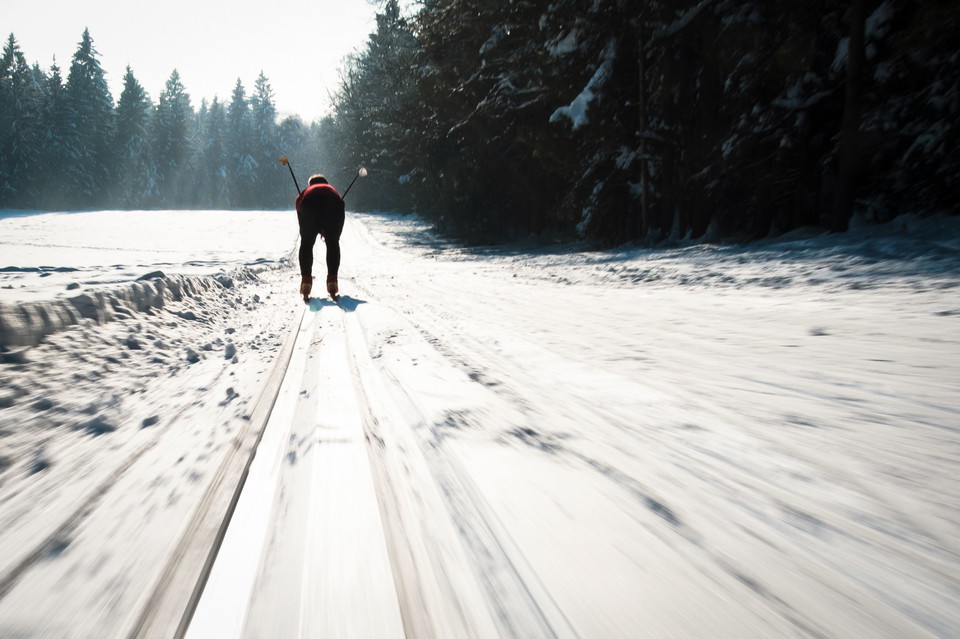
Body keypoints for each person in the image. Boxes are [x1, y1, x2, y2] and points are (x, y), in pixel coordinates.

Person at [295, 174, 345, 300]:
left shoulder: (307, 191)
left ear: (311, 184)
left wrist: (309, 228)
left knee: (306, 244)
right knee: (333, 243)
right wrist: (328, 230)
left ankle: (306, 283)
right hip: (334, 204)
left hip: (308, 204)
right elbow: (340, 204)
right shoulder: (331, 189)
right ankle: (332, 282)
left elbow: (298, 205)